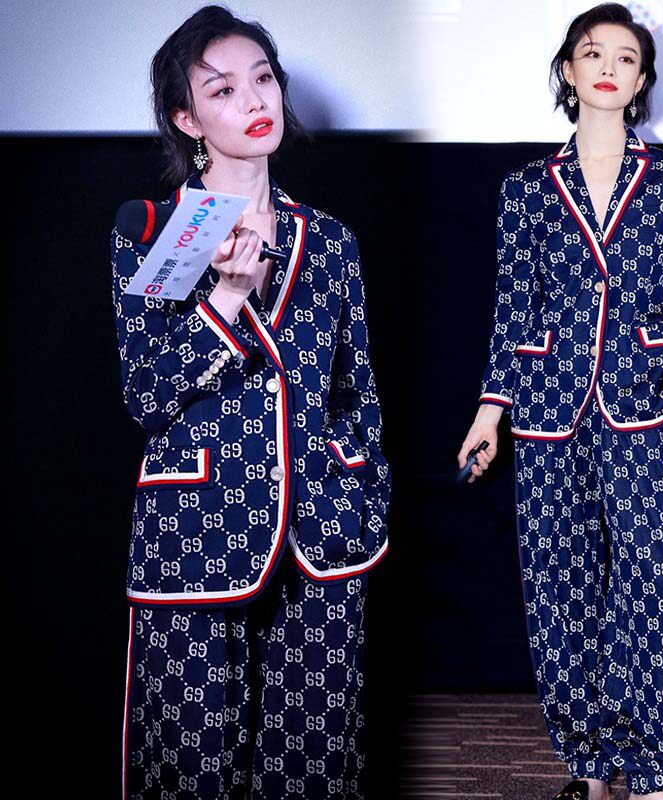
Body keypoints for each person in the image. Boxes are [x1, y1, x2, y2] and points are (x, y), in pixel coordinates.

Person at [110, 6, 390, 798]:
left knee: (314, 764)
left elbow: (357, 391)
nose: (254, 99)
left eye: (262, 78)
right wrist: (228, 297)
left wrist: (363, 496)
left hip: (322, 529)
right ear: (186, 118)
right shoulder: (155, 230)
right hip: (195, 528)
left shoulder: (330, 240)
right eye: (223, 89)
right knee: (191, 765)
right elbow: (146, 394)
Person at [458, 4, 663, 800]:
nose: (607, 66)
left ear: (642, 80)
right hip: (545, 407)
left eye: (626, 57)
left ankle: (654, 766)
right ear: (568, 71)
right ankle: (590, 765)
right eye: (592, 53)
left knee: (660, 579)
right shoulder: (526, 190)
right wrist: (490, 412)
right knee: (559, 585)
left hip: (642, 404)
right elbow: (512, 309)